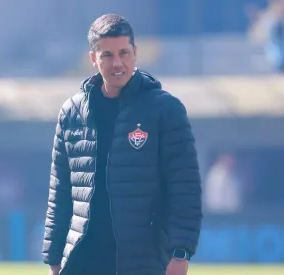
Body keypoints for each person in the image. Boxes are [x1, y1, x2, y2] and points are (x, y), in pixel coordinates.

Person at [42, 14, 202, 275]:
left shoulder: (165, 110)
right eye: (107, 55)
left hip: (143, 260)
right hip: (83, 260)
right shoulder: (71, 113)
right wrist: (53, 258)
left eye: (124, 53)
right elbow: (59, 192)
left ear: (135, 53)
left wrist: (181, 253)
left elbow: (185, 188)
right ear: (93, 58)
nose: (117, 63)